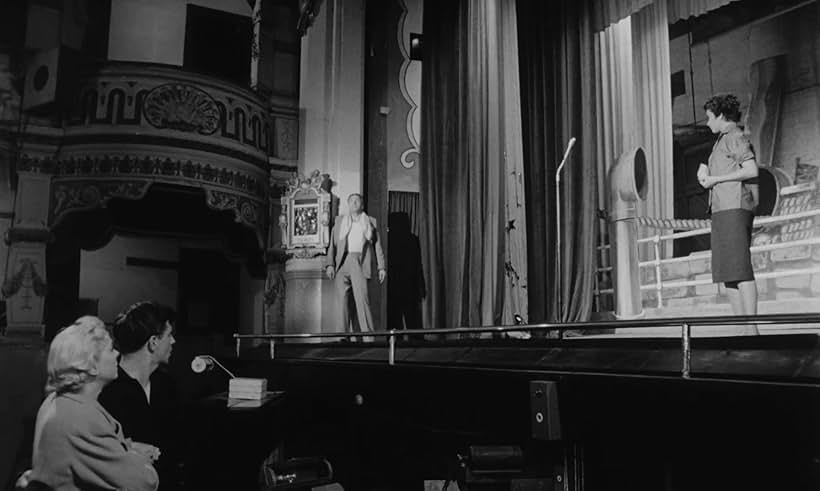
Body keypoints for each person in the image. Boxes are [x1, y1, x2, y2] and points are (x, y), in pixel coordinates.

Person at [23, 316, 159, 491]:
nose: (117, 354)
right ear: (92, 365)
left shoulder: (57, 402)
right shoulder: (80, 417)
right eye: (110, 349)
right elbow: (144, 482)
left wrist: (128, 448)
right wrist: (138, 458)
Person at [99, 301, 180, 490]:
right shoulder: (108, 389)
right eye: (169, 335)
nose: (173, 341)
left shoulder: (167, 385)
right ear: (153, 342)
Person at [698, 94, 759, 324]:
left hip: (735, 207)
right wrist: (706, 175)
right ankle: (742, 328)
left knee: (740, 269)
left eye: (709, 118)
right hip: (722, 209)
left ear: (721, 116)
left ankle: (751, 330)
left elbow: (751, 170)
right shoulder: (721, 141)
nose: (707, 123)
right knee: (728, 273)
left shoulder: (735, 136)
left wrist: (715, 179)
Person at [324, 193, 386, 335]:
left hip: (359, 262)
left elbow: (377, 246)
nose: (354, 203)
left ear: (362, 205)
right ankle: (342, 338)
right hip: (342, 263)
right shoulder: (340, 221)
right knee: (341, 304)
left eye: (357, 201)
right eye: (351, 200)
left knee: (362, 302)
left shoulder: (370, 221)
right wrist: (330, 265)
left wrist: (381, 267)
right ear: (348, 204)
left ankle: (368, 338)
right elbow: (332, 246)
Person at [387, 211, 425, 333]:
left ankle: (394, 342)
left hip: (393, 284)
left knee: (394, 319)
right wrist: (421, 286)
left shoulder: (388, 239)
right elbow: (418, 266)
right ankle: (416, 341)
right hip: (410, 284)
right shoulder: (413, 239)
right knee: (413, 319)